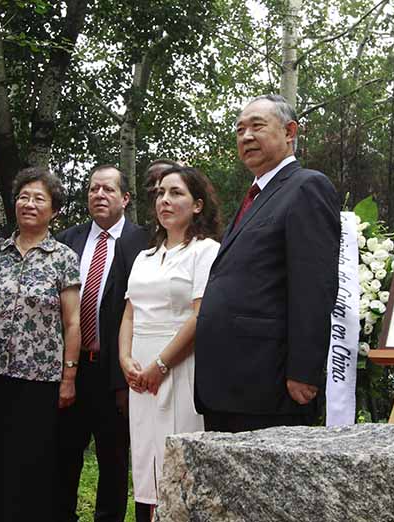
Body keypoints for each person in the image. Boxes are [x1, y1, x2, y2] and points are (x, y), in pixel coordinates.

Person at [194, 94, 341, 433]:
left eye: (257, 126)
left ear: (290, 131)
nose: (246, 136)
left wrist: (304, 370)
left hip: (268, 385)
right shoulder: (255, 196)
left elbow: (314, 286)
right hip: (229, 384)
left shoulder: (306, 187)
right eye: (239, 129)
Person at [0, 167, 81, 520]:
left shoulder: (64, 258)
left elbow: (72, 322)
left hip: (39, 380)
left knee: (29, 462)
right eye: (23, 196)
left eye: (39, 198)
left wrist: (69, 376)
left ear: (54, 210)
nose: (29, 203)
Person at [119, 166, 221, 518]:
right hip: (139, 374)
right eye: (160, 193)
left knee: (177, 464)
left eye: (176, 193)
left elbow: (200, 316)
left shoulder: (205, 251)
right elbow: (130, 314)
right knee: (146, 463)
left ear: (197, 205)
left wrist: (160, 365)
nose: (165, 200)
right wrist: (125, 360)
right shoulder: (144, 257)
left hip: (179, 367)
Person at [56, 165, 149, 522]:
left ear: (125, 198)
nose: (99, 195)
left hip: (116, 373)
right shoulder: (68, 240)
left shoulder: (143, 243)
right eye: (94, 189)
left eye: (108, 189)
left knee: (113, 459)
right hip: (71, 369)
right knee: (64, 454)